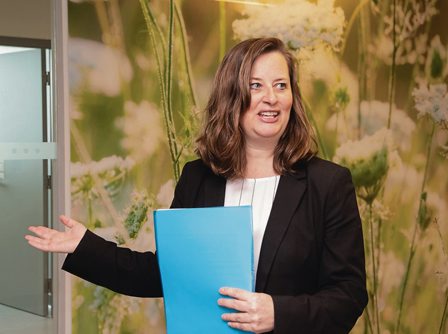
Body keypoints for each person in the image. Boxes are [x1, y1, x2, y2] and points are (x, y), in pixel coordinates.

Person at [26, 37, 368, 333]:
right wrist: (83, 246)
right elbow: (164, 275)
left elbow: (348, 294)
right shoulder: (198, 178)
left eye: (281, 85)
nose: (271, 98)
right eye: (255, 85)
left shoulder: (329, 184)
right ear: (231, 95)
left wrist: (277, 313)